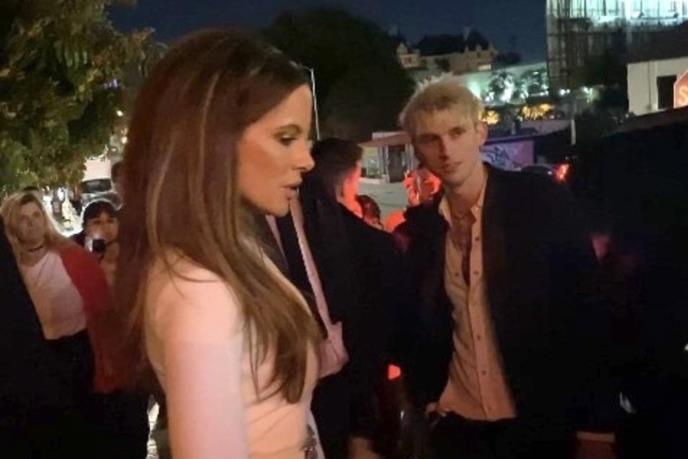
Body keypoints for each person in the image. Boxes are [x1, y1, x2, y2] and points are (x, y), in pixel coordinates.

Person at [112, 29, 322, 458]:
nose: (306, 159)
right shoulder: (200, 287)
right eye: (286, 137)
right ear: (211, 139)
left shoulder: (230, 252)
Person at [396, 76, 603, 459]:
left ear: (480, 133)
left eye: (456, 132)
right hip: (457, 426)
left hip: (537, 423)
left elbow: (586, 306)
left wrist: (593, 422)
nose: (446, 149)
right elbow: (422, 325)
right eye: (430, 139)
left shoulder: (538, 201)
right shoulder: (425, 229)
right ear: (417, 148)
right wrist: (427, 399)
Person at [0, 191, 115, 457]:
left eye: (36, 215)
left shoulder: (72, 256)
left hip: (80, 349)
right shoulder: (11, 270)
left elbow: (102, 307)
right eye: (23, 218)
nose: (32, 223)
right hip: (41, 355)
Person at [72, 200, 119, 285]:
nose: (105, 227)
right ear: (84, 227)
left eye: (110, 221)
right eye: (97, 223)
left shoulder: (128, 248)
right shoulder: (74, 248)